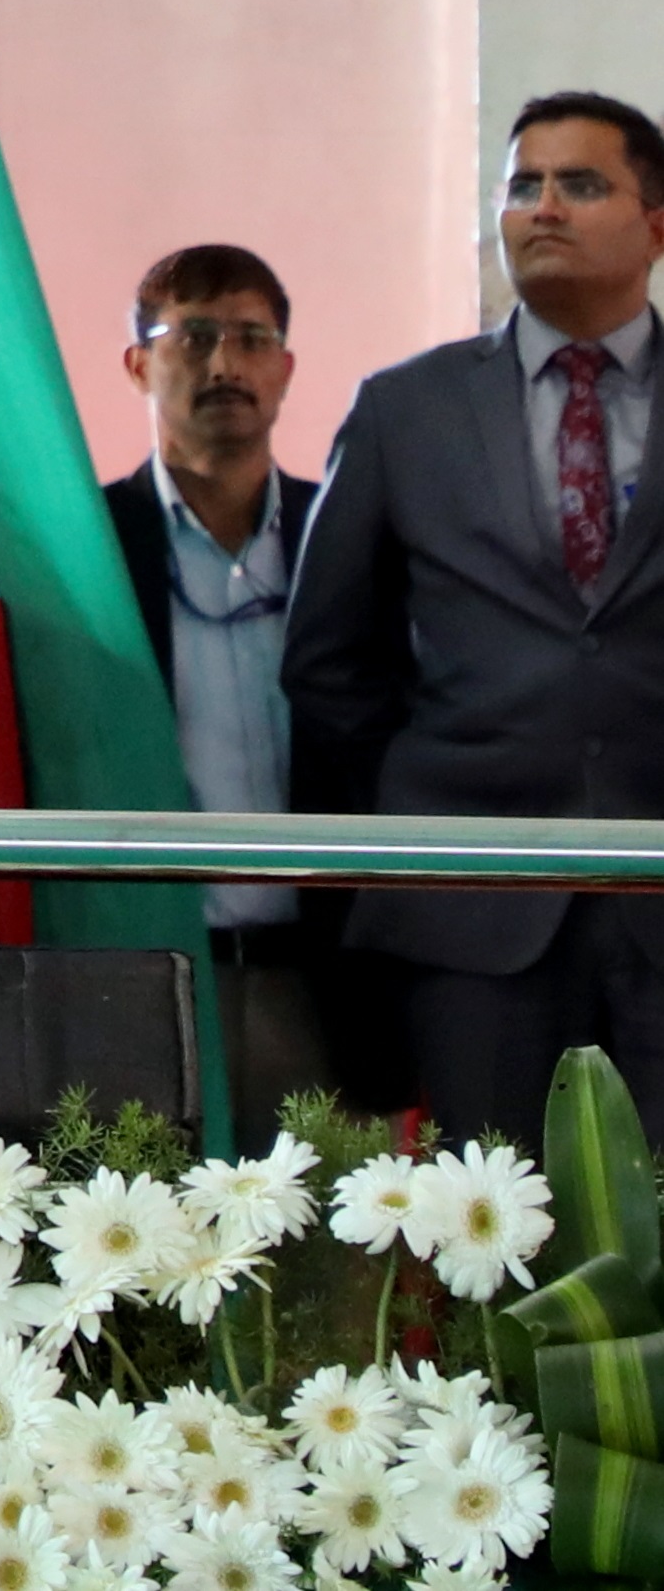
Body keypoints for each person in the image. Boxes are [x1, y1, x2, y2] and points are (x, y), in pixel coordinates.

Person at [284, 92, 664, 1142]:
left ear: (653, 224)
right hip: (470, 912)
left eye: (579, 184)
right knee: (490, 1253)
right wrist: (430, 805)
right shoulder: (406, 409)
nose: (541, 207)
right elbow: (324, 662)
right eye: (520, 185)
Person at [102, 240, 323, 1134]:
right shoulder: (91, 546)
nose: (225, 363)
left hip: (323, 987)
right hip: (154, 982)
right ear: (138, 363)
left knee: (340, 1264)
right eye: (192, 337)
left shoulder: (345, 533)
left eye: (249, 337)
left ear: (285, 366)